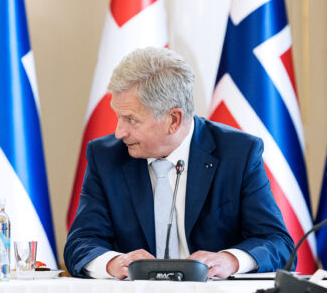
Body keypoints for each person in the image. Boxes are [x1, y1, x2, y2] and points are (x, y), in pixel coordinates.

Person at [63, 47, 294, 279]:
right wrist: (113, 262)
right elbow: (80, 243)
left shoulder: (238, 154)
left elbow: (277, 242)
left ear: (173, 120)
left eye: (131, 120)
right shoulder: (105, 157)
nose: (119, 132)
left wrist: (230, 260)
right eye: (118, 117)